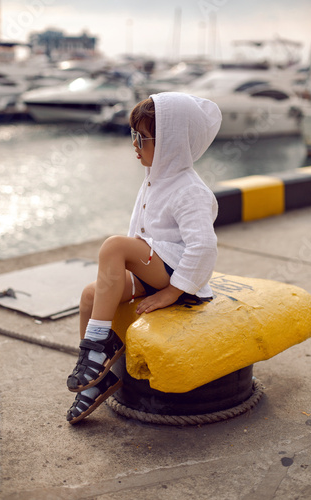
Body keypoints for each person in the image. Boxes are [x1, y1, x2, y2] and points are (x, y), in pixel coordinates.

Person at [66, 92, 222, 424]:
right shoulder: (153, 180)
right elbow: (140, 232)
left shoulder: (189, 190)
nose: (134, 145)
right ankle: (98, 377)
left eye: (142, 138)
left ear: (171, 142)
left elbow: (205, 247)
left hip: (177, 276)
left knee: (114, 246)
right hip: (152, 271)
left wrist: (173, 290)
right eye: (132, 136)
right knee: (90, 296)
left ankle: (98, 345)